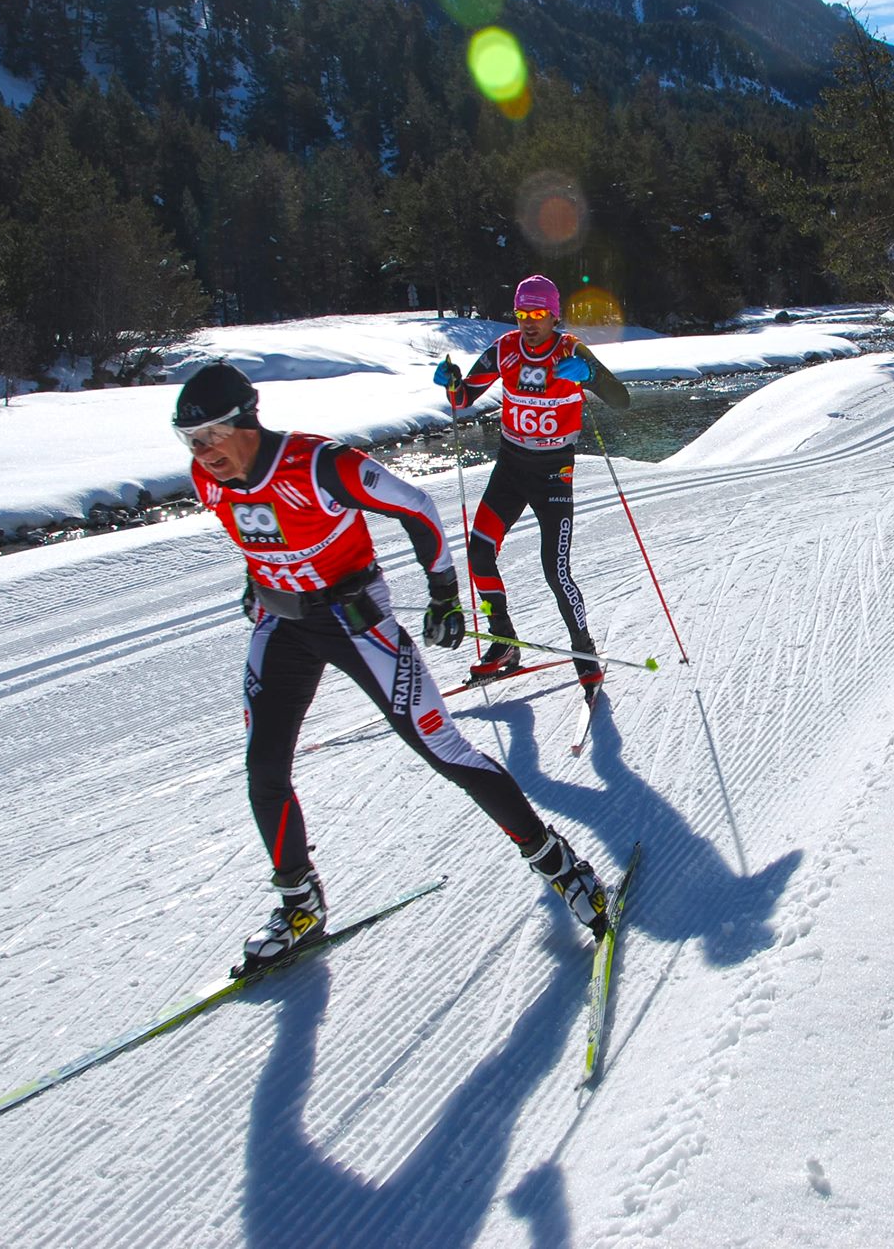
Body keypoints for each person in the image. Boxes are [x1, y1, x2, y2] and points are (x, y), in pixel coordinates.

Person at [172, 360, 612, 966]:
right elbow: (259, 534)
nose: (204, 454)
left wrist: (443, 596)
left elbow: (417, 506)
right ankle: (300, 907)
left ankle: (562, 866)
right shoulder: (209, 479)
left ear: (245, 422)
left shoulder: (320, 464)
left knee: (446, 751)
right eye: (191, 443)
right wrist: (259, 580)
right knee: (264, 768)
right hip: (282, 627)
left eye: (212, 437)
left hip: (357, 624)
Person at [435, 274, 630, 703]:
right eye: (522, 313)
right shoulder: (504, 349)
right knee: (480, 553)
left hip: (553, 474)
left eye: (538, 313)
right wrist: (451, 382)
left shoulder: (569, 350)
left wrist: (591, 374)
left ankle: (586, 656)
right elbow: (462, 398)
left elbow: (621, 399)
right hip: (511, 467)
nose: (529, 322)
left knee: (555, 572)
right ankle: (503, 641)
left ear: (554, 315)